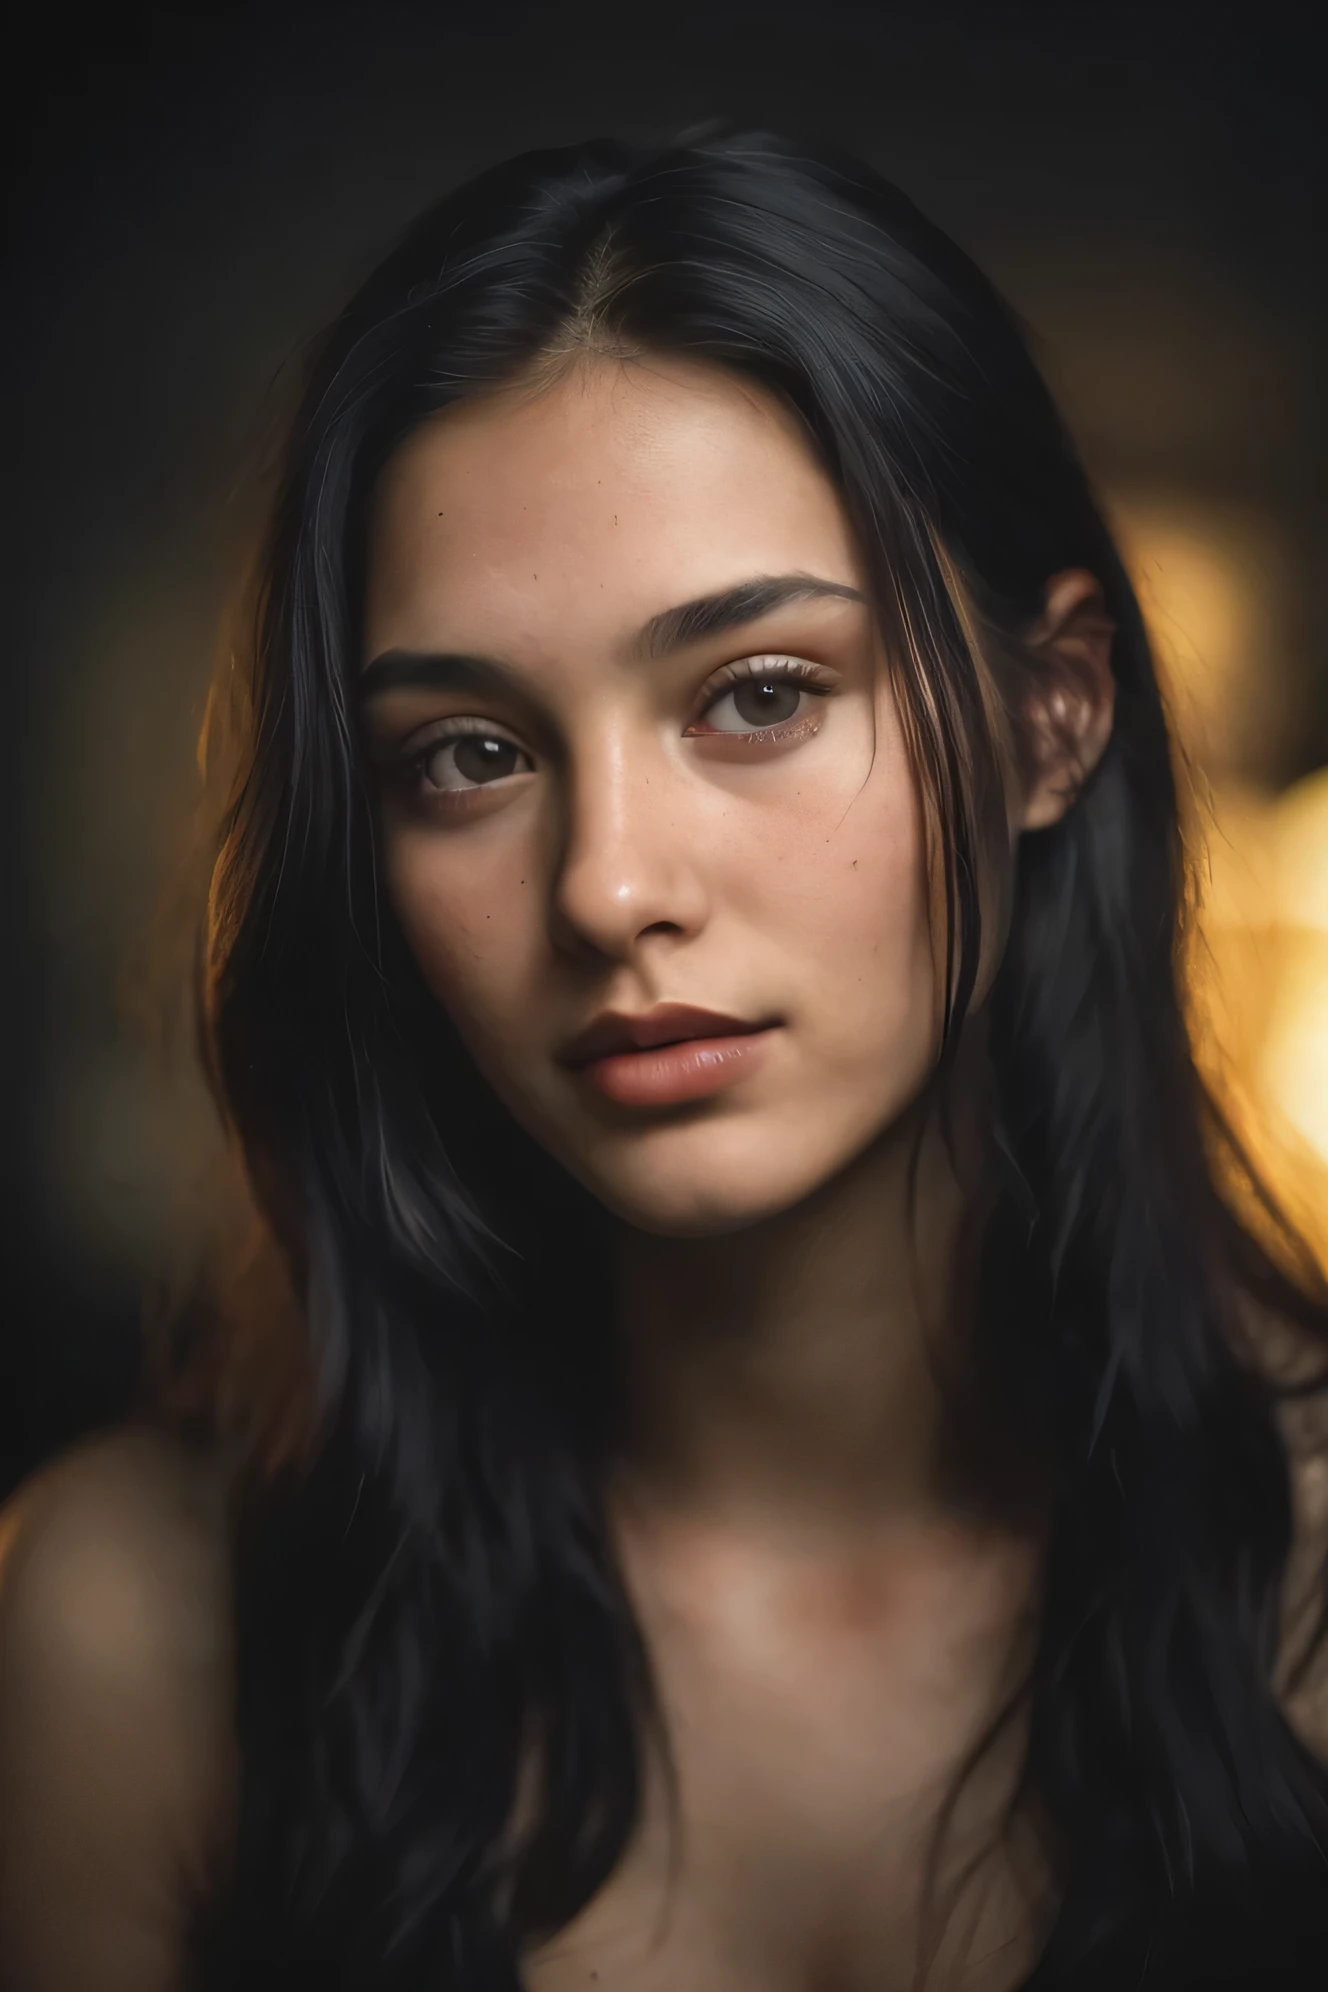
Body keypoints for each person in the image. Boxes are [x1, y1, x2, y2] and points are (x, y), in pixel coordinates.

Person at [1, 126, 1326, 1992]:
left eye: (761, 697)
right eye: (467, 753)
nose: (610, 886)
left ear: (1055, 713)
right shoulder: (138, 1635)